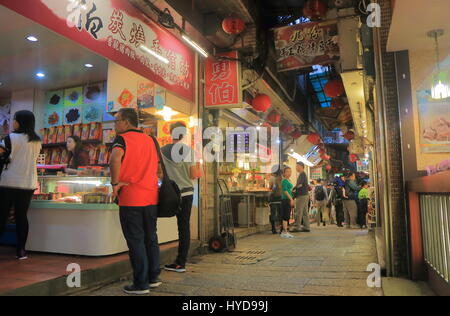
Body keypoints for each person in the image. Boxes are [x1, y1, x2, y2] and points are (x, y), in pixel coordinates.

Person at [110, 108, 161, 295]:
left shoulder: (122, 139)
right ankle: (153, 277)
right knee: (151, 238)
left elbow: (115, 159)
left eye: (117, 121)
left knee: (136, 241)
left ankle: (140, 283)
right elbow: (157, 168)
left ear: (126, 122)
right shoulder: (151, 140)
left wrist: (115, 183)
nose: (115, 125)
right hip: (151, 196)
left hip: (131, 198)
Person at [0, 110, 41, 260]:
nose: (13, 122)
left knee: (2, 215)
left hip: (8, 182)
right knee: (21, 216)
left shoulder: (10, 138)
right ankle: (21, 251)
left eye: (15, 119)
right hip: (28, 183)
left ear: (20, 122)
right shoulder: (37, 141)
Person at [161, 121, 199, 273]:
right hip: (187, 193)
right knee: (184, 227)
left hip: (170, 194)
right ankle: (180, 262)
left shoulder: (162, 150)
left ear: (171, 133)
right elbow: (193, 175)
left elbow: (159, 172)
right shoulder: (189, 151)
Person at [293, 162, 310, 232]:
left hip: (301, 195)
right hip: (305, 194)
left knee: (298, 211)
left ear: (300, 166)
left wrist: (294, 188)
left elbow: (300, 185)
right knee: (304, 212)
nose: (296, 168)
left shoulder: (302, 174)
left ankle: (297, 226)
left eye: (296, 166)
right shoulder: (303, 174)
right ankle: (306, 226)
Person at [280, 166, 295, 238]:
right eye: (287, 171)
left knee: (287, 216)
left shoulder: (288, 180)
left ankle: (285, 231)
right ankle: (284, 231)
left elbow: (289, 190)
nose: (289, 173)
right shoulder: (284, 181)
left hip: (288, 199)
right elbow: (285, 191)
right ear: (284, 173)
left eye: (290, 171)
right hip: (285, 200)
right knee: (285, 216)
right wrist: (291, 199)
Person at [268, 166, 283, 234]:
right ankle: (281, 229)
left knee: (273, 213)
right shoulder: (281, 178)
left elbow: (271, 187)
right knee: (280, 213)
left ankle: (273, 229)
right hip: (280, 198)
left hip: (273, 198)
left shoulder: (272, 178)